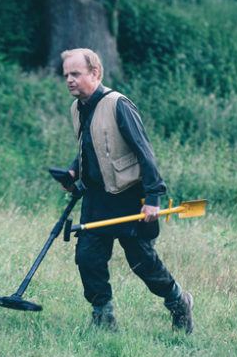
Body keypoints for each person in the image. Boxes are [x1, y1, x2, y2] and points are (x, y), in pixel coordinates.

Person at [60, 48, 193, 334]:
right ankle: (103, 317)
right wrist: (73, 171)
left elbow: (145, 152)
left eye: (75, 74)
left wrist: (153, 198)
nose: (69, 80)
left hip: (129, 197)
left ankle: (179, 301)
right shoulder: (77, 108)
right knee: (88, 258)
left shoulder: (118, 104)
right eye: (66, 75)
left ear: (95, 73)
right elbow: (90, 147)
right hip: (96, 199)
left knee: (142, 262)